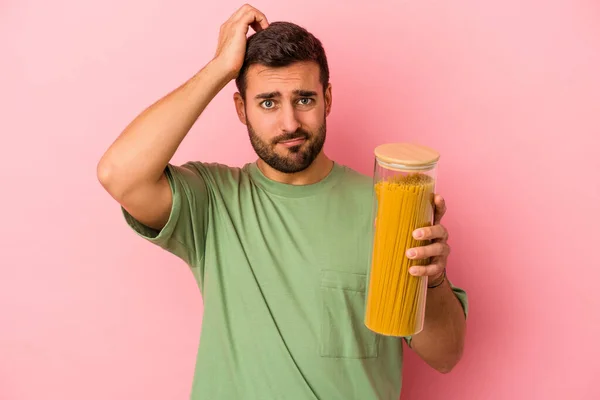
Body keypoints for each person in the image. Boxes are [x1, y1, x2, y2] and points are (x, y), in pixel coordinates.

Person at [97, 4, 468, 399]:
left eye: (304, 99)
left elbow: (445, 356)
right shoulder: (213, 201)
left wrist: (434, 280)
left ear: (327, 98)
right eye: (268, 102)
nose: (290, 123)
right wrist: (220, 67)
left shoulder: (387, 206)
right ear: (242, 109)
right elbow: (119, 174)